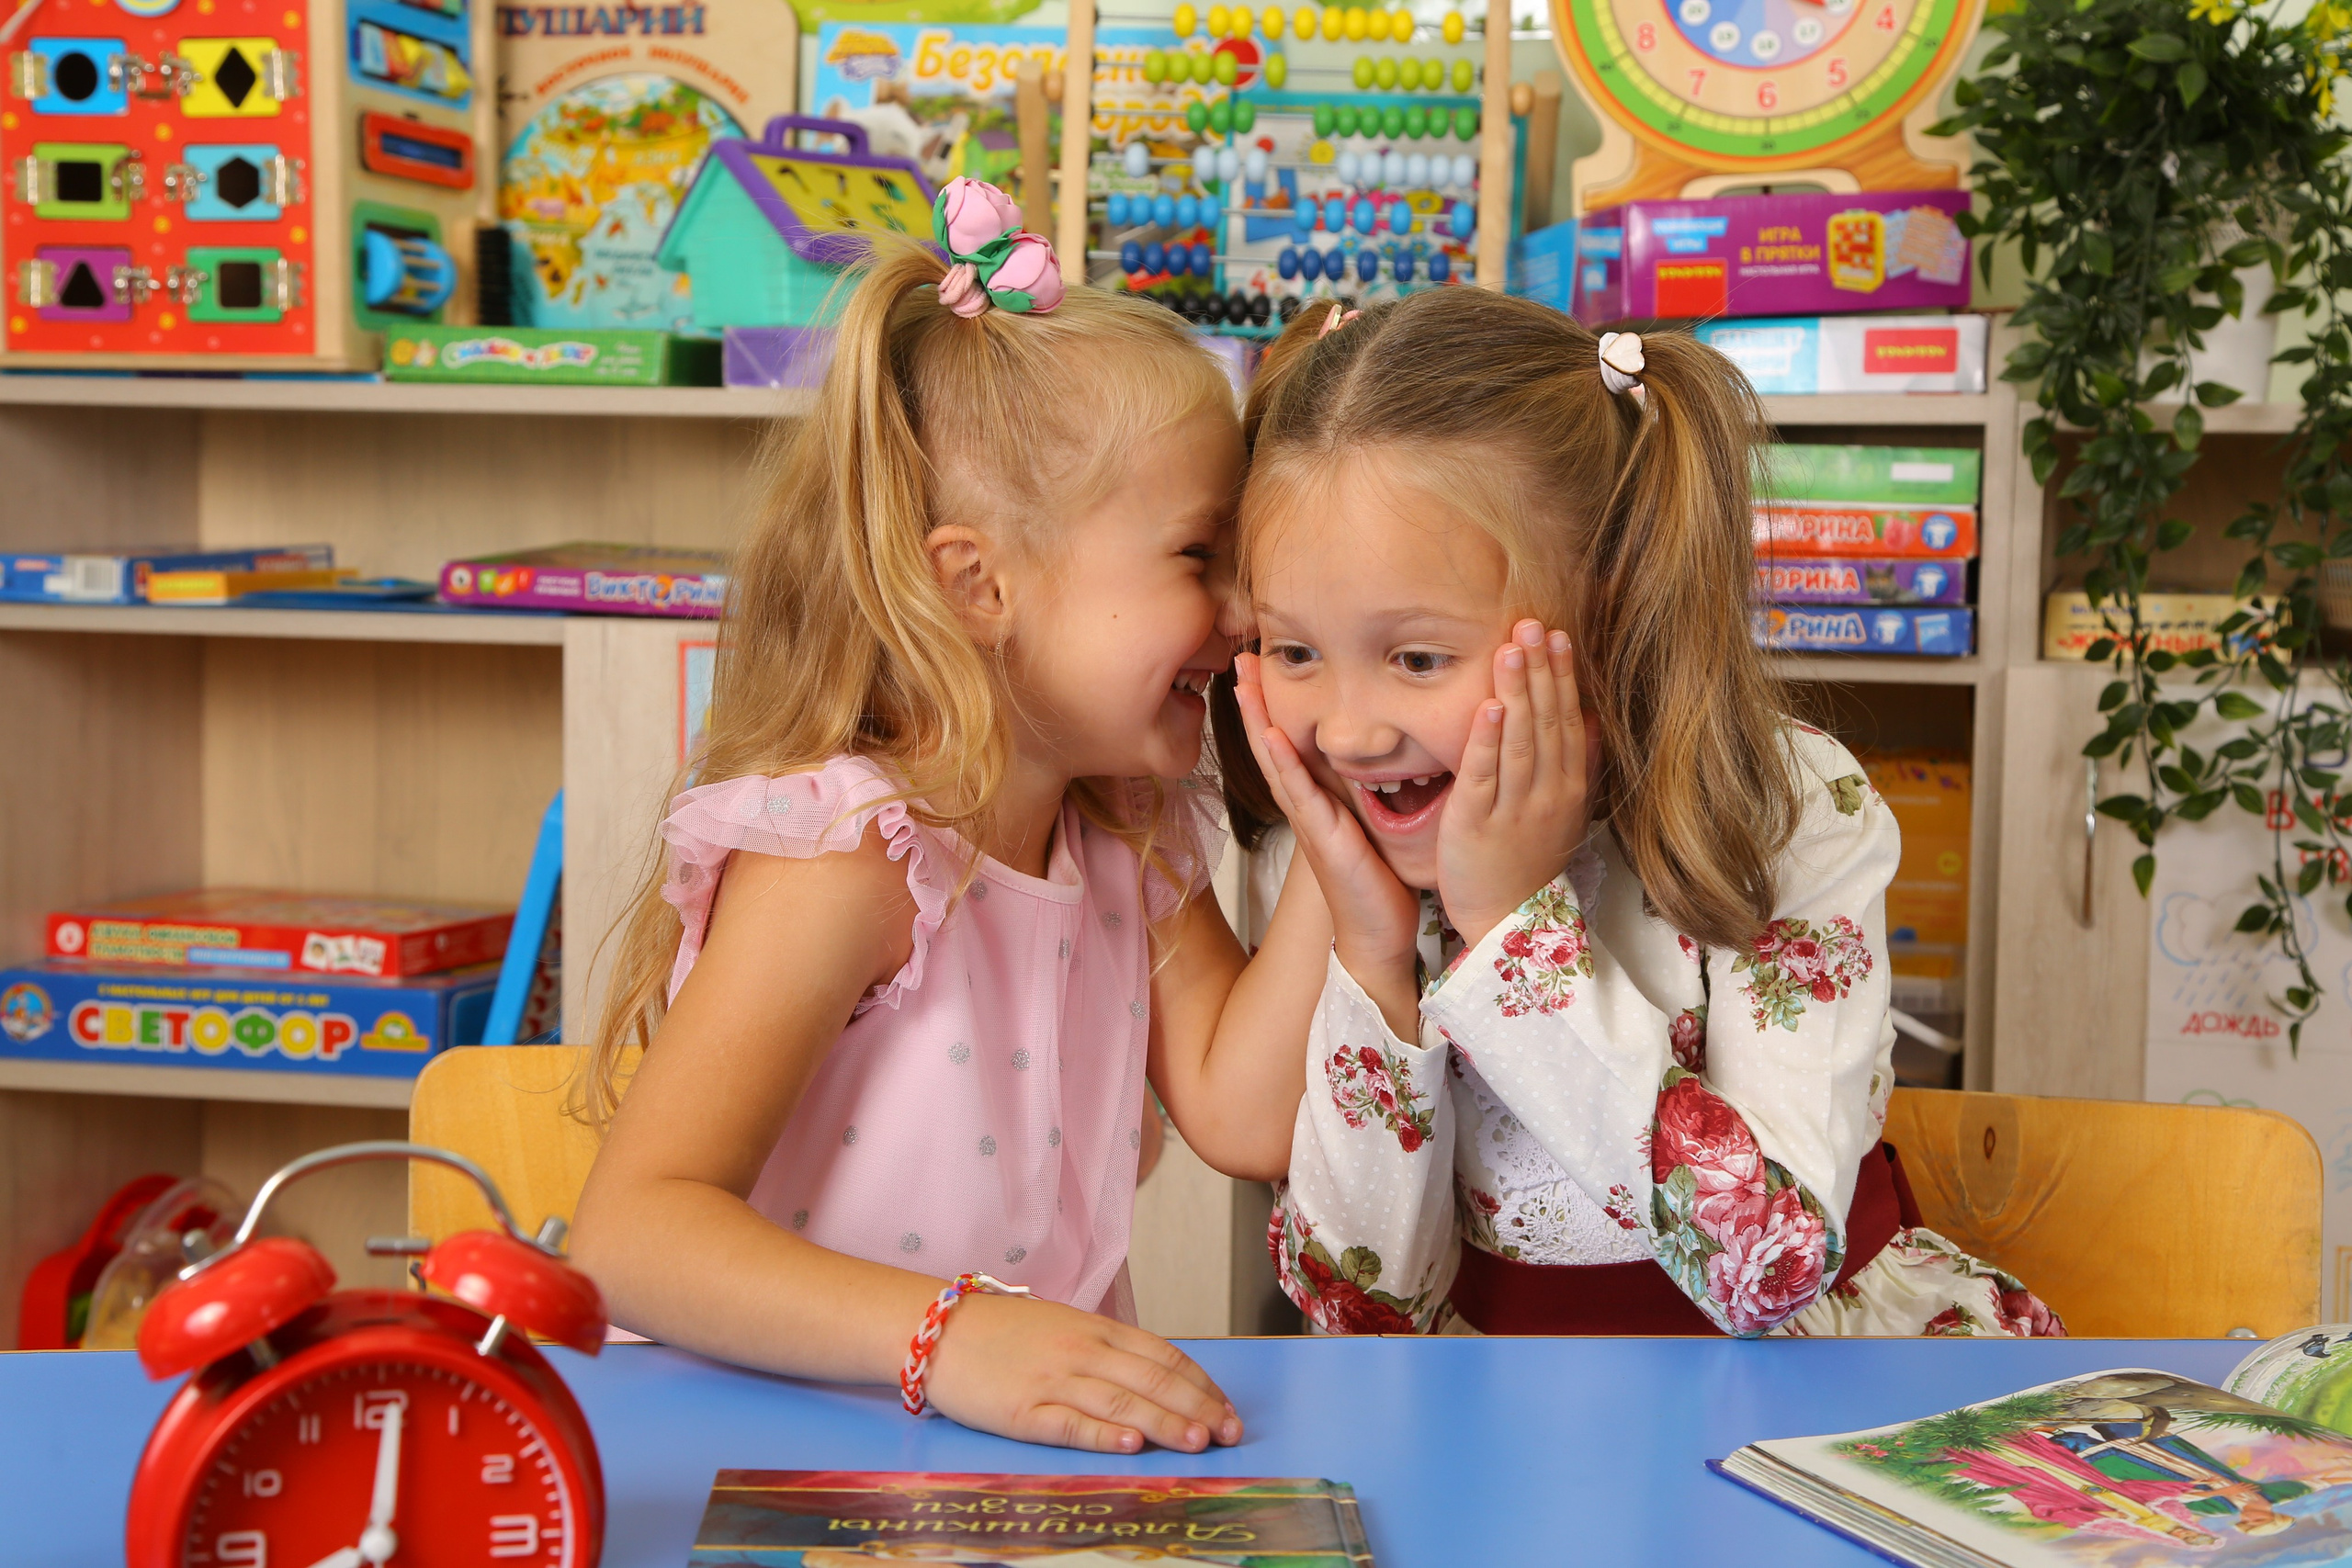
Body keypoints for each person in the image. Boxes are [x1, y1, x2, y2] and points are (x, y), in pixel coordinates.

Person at [566, 180, 1320, 1454]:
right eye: (1201, 557)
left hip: (988, 1460)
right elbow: (632, 1234)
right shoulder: (856, 854)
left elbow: (1247, 1116)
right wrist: (953, 1331)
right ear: (978, 585)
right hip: (783, 1447)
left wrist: (1334, 835)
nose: (1243, 608)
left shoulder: (1125, 840)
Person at [1214, 290, 2064, 1338]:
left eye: (1417, 657)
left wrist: (1510, 927)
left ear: (1610, 598)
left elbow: (1767, 1266)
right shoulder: (1349, 853)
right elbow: (1363, 1309)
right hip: (1508, 1408)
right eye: (1293, 652)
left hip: (1802, 1396)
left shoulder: (1787, 811)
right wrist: (1370, 960)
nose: (1344, 733)